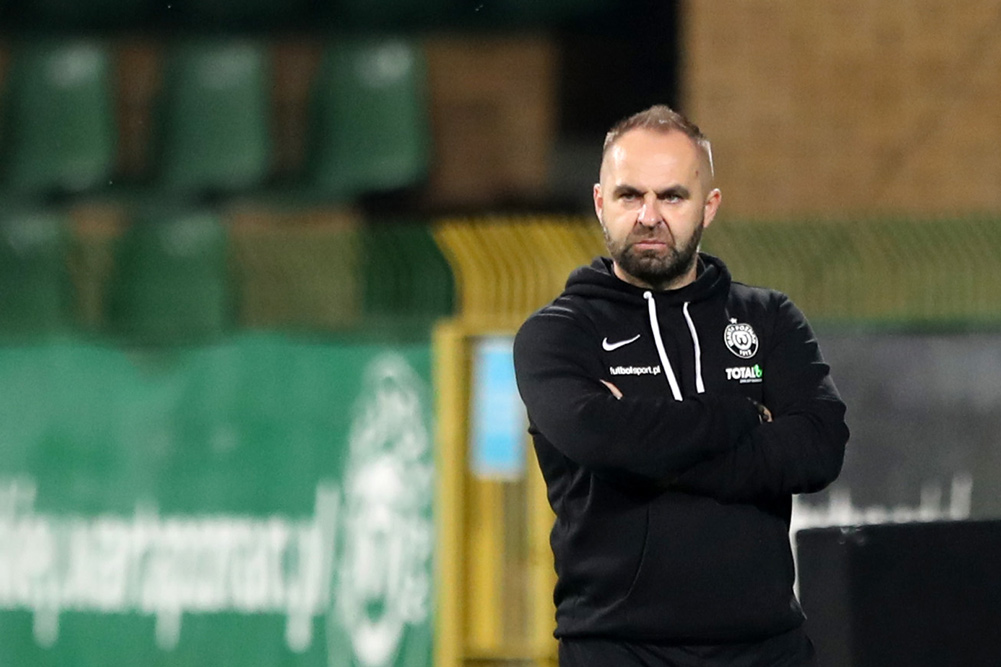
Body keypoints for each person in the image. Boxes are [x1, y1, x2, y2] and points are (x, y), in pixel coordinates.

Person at [512, 105, 849, 667]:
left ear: (708, 206)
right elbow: (600, 437)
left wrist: (645, 448)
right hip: (618, 649)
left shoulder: (768, 318)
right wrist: (741, 416)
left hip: (767, 649)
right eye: (629, 196)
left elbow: (819, 448)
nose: (649, 216)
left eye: (671, 196)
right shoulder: (558, 334)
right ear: (600, 202)